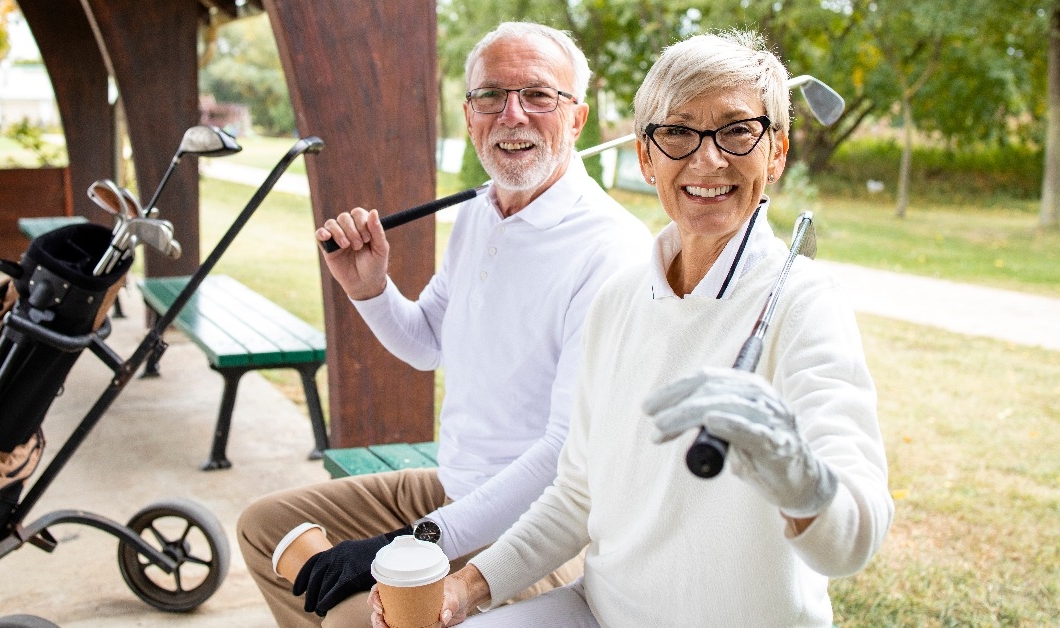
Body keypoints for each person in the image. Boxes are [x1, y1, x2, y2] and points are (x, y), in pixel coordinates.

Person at [374, 29, 895, 627]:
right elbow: (574, 496)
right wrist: (466, 588)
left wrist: (803, 482)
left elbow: (855, 540)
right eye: (677, 131)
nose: (708, 157)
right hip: (599, 611)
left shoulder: (806, 304)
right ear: (645, 157)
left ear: (775, 153)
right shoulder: (619, 297)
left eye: (736, 130)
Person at [237, 21, 653, 627]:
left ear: (577, 117)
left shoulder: (610, 252)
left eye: (538, 95)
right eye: (491, 96)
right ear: (469, 113)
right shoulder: (480, 214)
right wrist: (370, 289)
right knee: (263, 529)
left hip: (534, 528)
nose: (512, 114)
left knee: (354, 619)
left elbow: (565, 457)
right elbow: (427, 342)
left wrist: (408, 542)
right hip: (452, 489)